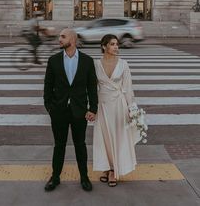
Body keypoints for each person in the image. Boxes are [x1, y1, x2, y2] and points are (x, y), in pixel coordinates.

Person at [44, 28, 98, 192]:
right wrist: (50, 108)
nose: (59, 39)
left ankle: (84, 177)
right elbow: (48, 87)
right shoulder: (53, 60)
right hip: (59, 111)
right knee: (59, 145)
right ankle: (55, 177)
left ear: (72, 40)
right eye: (60, 36)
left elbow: (92, 88)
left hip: (79, 111)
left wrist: (92, 109)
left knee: (80, 145)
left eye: (63, 36)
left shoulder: (87, 61)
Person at [93, 34, 141, 187]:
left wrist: (132, 110)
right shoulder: (96, 64)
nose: (116, 47)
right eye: (113, 44)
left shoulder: (123, 64)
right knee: (105, 139)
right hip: (103, 105)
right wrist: (91, 107)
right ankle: (107, 167)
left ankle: (114, 170)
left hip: (119, 106)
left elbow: (128, 89)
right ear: (104, 46)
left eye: (117, 44)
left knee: (118, 137)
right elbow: (92, 88)